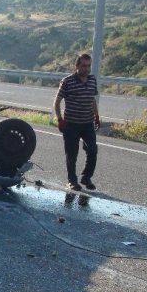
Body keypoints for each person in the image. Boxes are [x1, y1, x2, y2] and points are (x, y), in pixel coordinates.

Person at [53, 53, 100, 192]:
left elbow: (92, 100)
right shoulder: (67, 81)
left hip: (87, 123)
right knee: (72, 153)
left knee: (92, 149)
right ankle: (72, 181)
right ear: (77, 66)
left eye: (88, 66)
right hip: (71, 124)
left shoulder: (92, 80)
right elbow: (57, 102)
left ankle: (86, 177)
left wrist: (96, 115)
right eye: (84, 66)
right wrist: (60, 119)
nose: (86, 69)